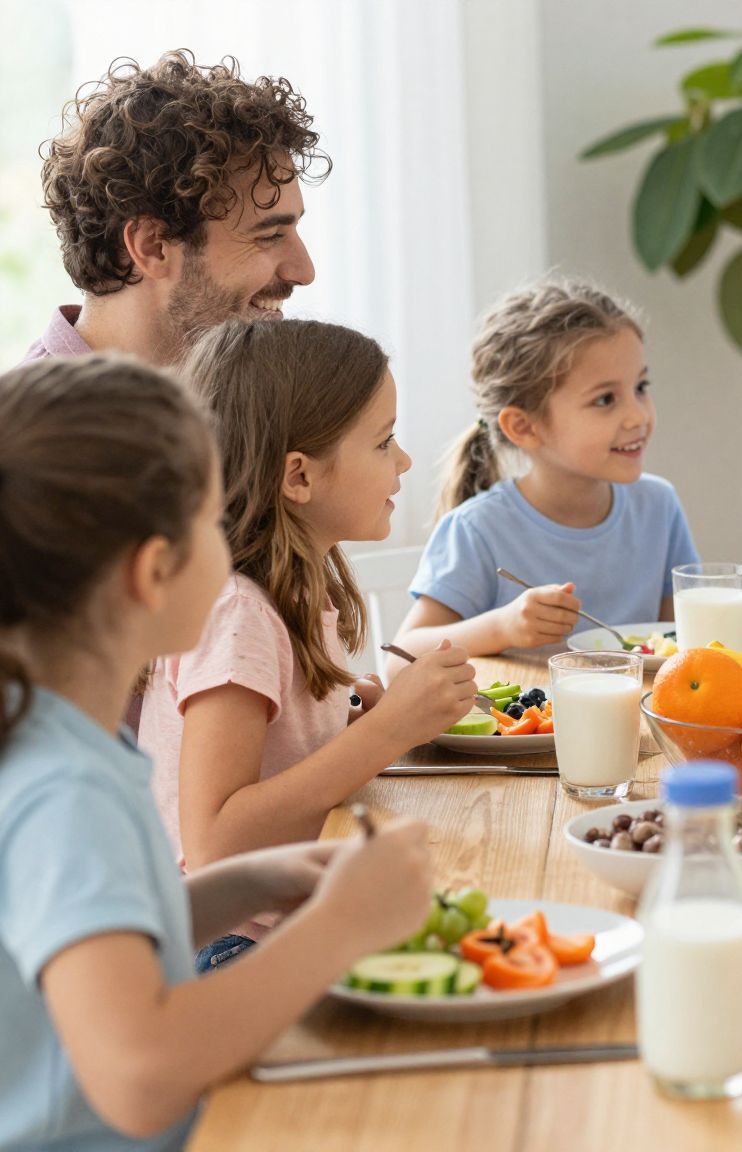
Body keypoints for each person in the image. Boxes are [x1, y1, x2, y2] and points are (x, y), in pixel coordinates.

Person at [0, 354, 433, 1149]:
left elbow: (112, 938)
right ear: (152, 572)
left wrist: (259, 881)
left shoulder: (65, 741)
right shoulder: (63, 789)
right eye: (210, 519)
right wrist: (339, 927)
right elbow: (140, 1073)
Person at [138, 320, 474, 966]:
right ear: (299, 476)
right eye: (384, 442)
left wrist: (345, 724)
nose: (404, 460)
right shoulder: (238, 612)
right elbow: (213, 846)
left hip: (280, 921)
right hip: (230, 948)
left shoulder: (290, 592)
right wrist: (387, 734)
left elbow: (276, 765)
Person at [392, 278, 698, 658]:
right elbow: (401, 657)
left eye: (640, 387)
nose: (638, 416)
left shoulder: (659, 507)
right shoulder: (478, 530)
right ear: (524, 427)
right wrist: (502, 627)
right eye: (605, 399)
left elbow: (682, 645)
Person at [24, 50, 321, 367]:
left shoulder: (226, 385)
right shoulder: (38, 403)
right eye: (270, 235)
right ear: (152, 246)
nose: (305, 272)